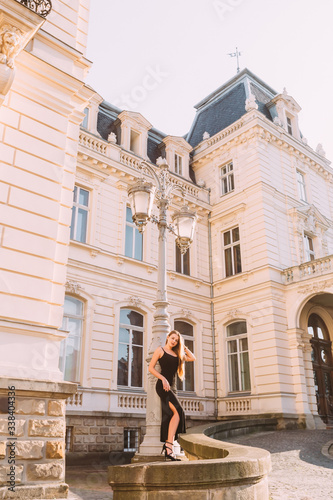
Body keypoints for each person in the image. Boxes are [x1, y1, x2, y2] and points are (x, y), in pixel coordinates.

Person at [148, 330, 196, 461]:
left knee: (173, 414)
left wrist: (184, 346)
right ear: (168, 337)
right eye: (172, 338)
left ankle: (168, 447)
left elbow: (192, 358)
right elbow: (151, 368)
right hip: (162, 387)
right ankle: (169, 446)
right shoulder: (160, 350)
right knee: (178, 411)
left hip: (172, 388)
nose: (174, 341)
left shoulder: (177, 353)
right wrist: (163, 379)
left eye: (176, 340)